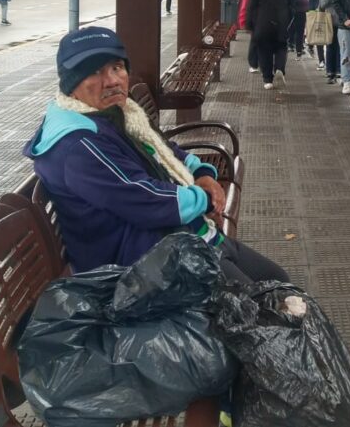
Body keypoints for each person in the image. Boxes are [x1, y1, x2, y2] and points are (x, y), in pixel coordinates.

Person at [25, 26, 288, 285]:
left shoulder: (115, 114)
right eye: (95, 72)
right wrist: (206, 199)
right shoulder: (78, 146)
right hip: (138, 268)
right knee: (266, 306)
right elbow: (145, 199)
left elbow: (164, 150)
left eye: (117, 67)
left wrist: (201, 173)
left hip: (172, 240)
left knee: (278, 281)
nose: (113, 80)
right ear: (72, 84)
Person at [245, 0, 297, 90]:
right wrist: (289, 17)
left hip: (262, 21)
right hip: (281, 20)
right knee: (281, 46)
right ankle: (279, 68)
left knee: (264, 49)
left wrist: (249, 22)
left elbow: (252, 4)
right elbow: (294, 2)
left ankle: (268, 80)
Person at [308, 0, 334, 71]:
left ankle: (329, 62)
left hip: (332, 13)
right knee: (319, 37)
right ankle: (321, 60)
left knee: (330, 37)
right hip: (319, 11)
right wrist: (313, 10)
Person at [238, 0, 261, 73]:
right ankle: (259, 63)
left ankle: (253, 64)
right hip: (263, 18)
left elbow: (244, 5)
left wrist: (242, 21)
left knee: (255, 41)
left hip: (253, 19)